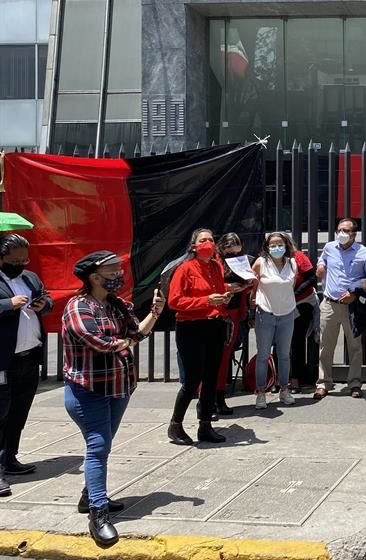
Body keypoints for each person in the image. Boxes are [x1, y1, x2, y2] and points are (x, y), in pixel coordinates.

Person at [62, 251, 164, 545]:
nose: (119, 274)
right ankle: (98, 512)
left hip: (119, 388)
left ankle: (88, 495)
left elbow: (137, 333)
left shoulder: (118, 305)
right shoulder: (78, 307)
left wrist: (155, 312)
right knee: (98, 445)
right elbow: (101, 343)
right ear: (95, 277)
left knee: (104, 445)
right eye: (112, 270)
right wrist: (127, 341)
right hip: (87, 391)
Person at [167, 229, 230, 446]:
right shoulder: (185, 268)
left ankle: (205, 425)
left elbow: (218, 297)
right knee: (193, 379)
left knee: (212, 377)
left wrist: (225, 296)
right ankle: (175, 425)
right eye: (203, 240)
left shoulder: (215, 266)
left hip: (214, 325)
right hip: (191, 327)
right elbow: (174, 302)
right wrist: (206, 301)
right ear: (194, 246)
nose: (209, 243)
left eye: (212, 240)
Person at [0, 234, 52, 491]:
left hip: (29, 356)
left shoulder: (30, 277)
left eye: (24, 258)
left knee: (19, 412)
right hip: (3, 360)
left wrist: (44, 304)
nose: (21, 263)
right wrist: (7, 304)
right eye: (15, 259)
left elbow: (48, 298)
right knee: (0, 413)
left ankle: (10, 459)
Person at [314, 218, 366, 399]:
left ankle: (355, 383)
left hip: (352, 306)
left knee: (354, 346)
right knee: (325, 346)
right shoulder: (329, 247)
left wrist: (356, 294)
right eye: (339, 229)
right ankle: (323, 383)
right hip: (329, 303)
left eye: (346, 230)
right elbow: (322, 260)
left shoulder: (364, 253)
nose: (342, 233)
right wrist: (320, 266)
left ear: (354, 234)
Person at [251, 232, 298, 409]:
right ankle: (261, 392)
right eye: (273, 245)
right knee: (263, 355)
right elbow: (253, 287)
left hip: (287, 313)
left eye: (280, 244)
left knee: (284, 354)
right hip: (265, 313)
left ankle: (284, 389)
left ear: (286, 245)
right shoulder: (261, 263)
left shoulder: (292, 263)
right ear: (267, 247)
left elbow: (290, 286)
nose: (277, 248)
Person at [213, 233, 255, 416]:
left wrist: (247, 286)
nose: (232, 256)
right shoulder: (214, 263)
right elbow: (207, 287)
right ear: (221, 248)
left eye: (236, 252)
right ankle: (209, 399)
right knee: (212, 359)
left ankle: (220, 397)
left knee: (224, 358)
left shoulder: (245, 260)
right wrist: (226, 288)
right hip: (218, 313)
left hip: (236, 313)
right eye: (228, 252)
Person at [289, 243, 319, 394]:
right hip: (278, 304)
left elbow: (312, 278)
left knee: (297, 341)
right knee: (277, 342)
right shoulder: (266, 260)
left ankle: (296, 379)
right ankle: (277, 379)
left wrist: (295, 293)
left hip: (301, 301)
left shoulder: (299, 257)